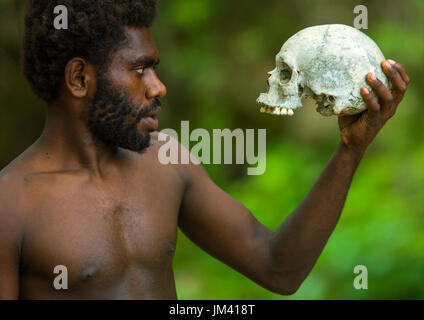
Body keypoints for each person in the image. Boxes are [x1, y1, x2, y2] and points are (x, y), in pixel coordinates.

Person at [0, 0, 409, 299]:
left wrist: (350, 150)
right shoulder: (12, 204)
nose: (158, 86)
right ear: (78, 78)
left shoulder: (166, 164)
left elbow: (279, 268)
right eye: (140, 68)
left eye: (155, 67)